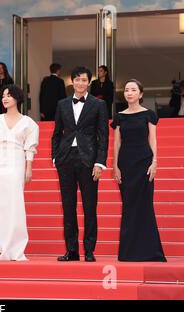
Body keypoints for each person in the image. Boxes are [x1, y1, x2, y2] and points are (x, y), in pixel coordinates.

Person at [52, 66, 109, 262]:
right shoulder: (62, 104)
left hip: (89, 160)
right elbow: (56, 133)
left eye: (84, 80)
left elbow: (103, 136)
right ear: (72, 81)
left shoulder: (98, 105)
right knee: (68, 207)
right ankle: (72, 251)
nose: (80, 83)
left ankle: (90, 250)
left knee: (89, 206)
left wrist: (100, 162)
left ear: (89, 82)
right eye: (77, 80)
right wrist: (55, 157)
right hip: (66, 159)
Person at [111, 79, 166, 262]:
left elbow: (153, 140)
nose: (129, 93)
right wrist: (115, 166)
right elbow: (117, 143)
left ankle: (149, 252)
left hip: (144, 163)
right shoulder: (119, 116)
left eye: (133, 90)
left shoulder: (148, 115)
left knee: (144, 206)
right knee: (129, 207)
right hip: (126, 165)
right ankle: (128, 253)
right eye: (127, 90)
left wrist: (155, 162)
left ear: (140, 94)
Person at [0, 84, 39, 261]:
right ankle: (3, 246)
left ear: (17, 98)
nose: (4, 98)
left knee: (16, 204)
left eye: (8, 95)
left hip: (17, 163)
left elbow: (29, 148)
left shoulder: (29, 123)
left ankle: (17, 246)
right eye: (3, 96)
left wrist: (29, 168)